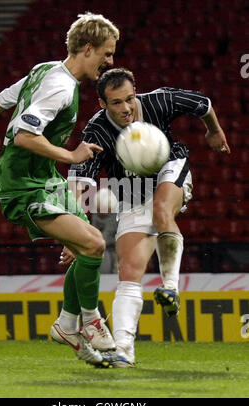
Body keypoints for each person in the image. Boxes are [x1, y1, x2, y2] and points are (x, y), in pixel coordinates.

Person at [0, 13, 120, 367]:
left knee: (82, 248)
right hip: (23, 186)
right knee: (94, 243)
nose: (110, 62)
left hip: (47, 181)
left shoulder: (45, 69)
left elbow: (1, 100)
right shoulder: (60, 87)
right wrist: (71, 154)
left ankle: (66, 326)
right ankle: (90, 320)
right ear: (87, 48)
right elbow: (24, 135)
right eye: (106, 54)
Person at [63, 68, 230, 367]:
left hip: (171, 166)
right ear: (102, 103)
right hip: (131, 192)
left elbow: (203, 104)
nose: (126, 108)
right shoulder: (97, 131)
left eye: (129, 99)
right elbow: (79, 184)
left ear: (136, 91)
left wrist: (213, 130)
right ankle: (124, 350)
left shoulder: (158, 101)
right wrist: (71, 232)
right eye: (116, 103)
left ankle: (170, 287)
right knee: (128, 271)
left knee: (162, 211)